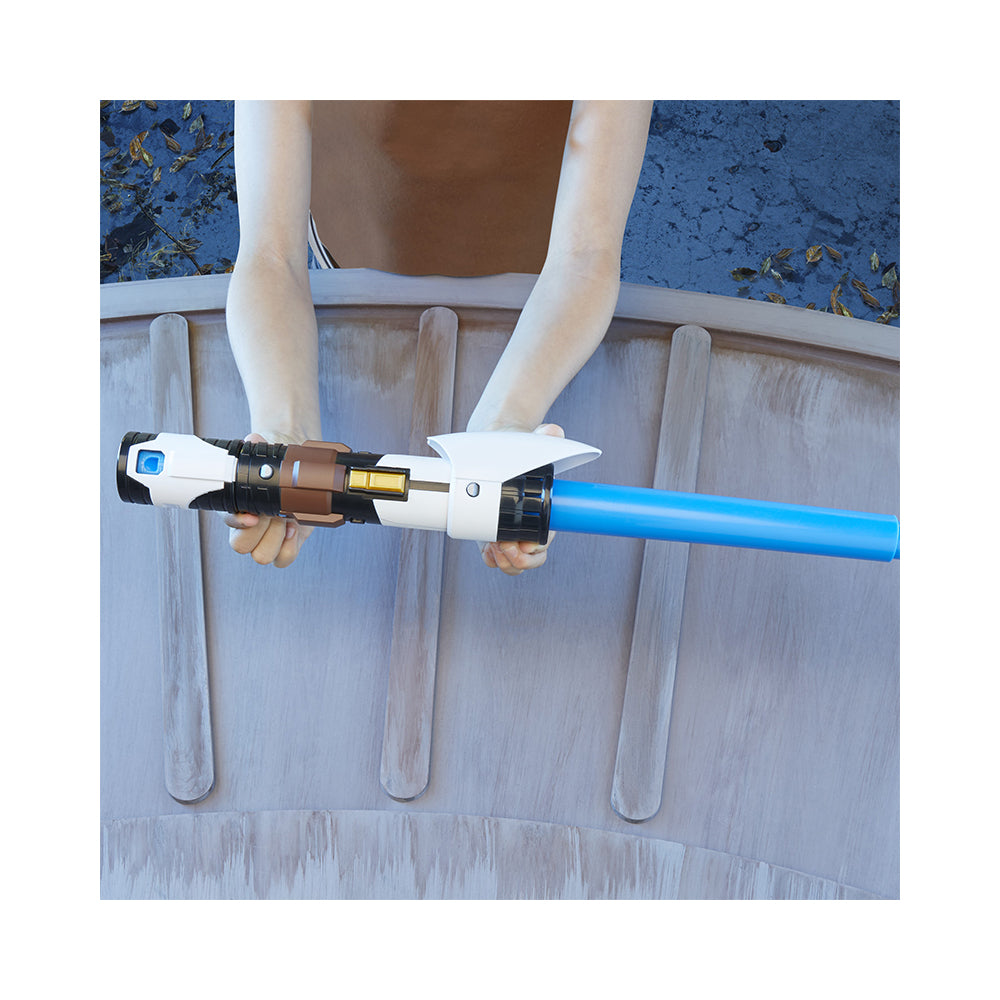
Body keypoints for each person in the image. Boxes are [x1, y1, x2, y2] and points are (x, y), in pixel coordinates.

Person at [223, 99, 652, 574]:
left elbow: (585, 254)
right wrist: (285, 431)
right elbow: (270, 254)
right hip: (352, 262)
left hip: (531, 298)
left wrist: (506, 422)